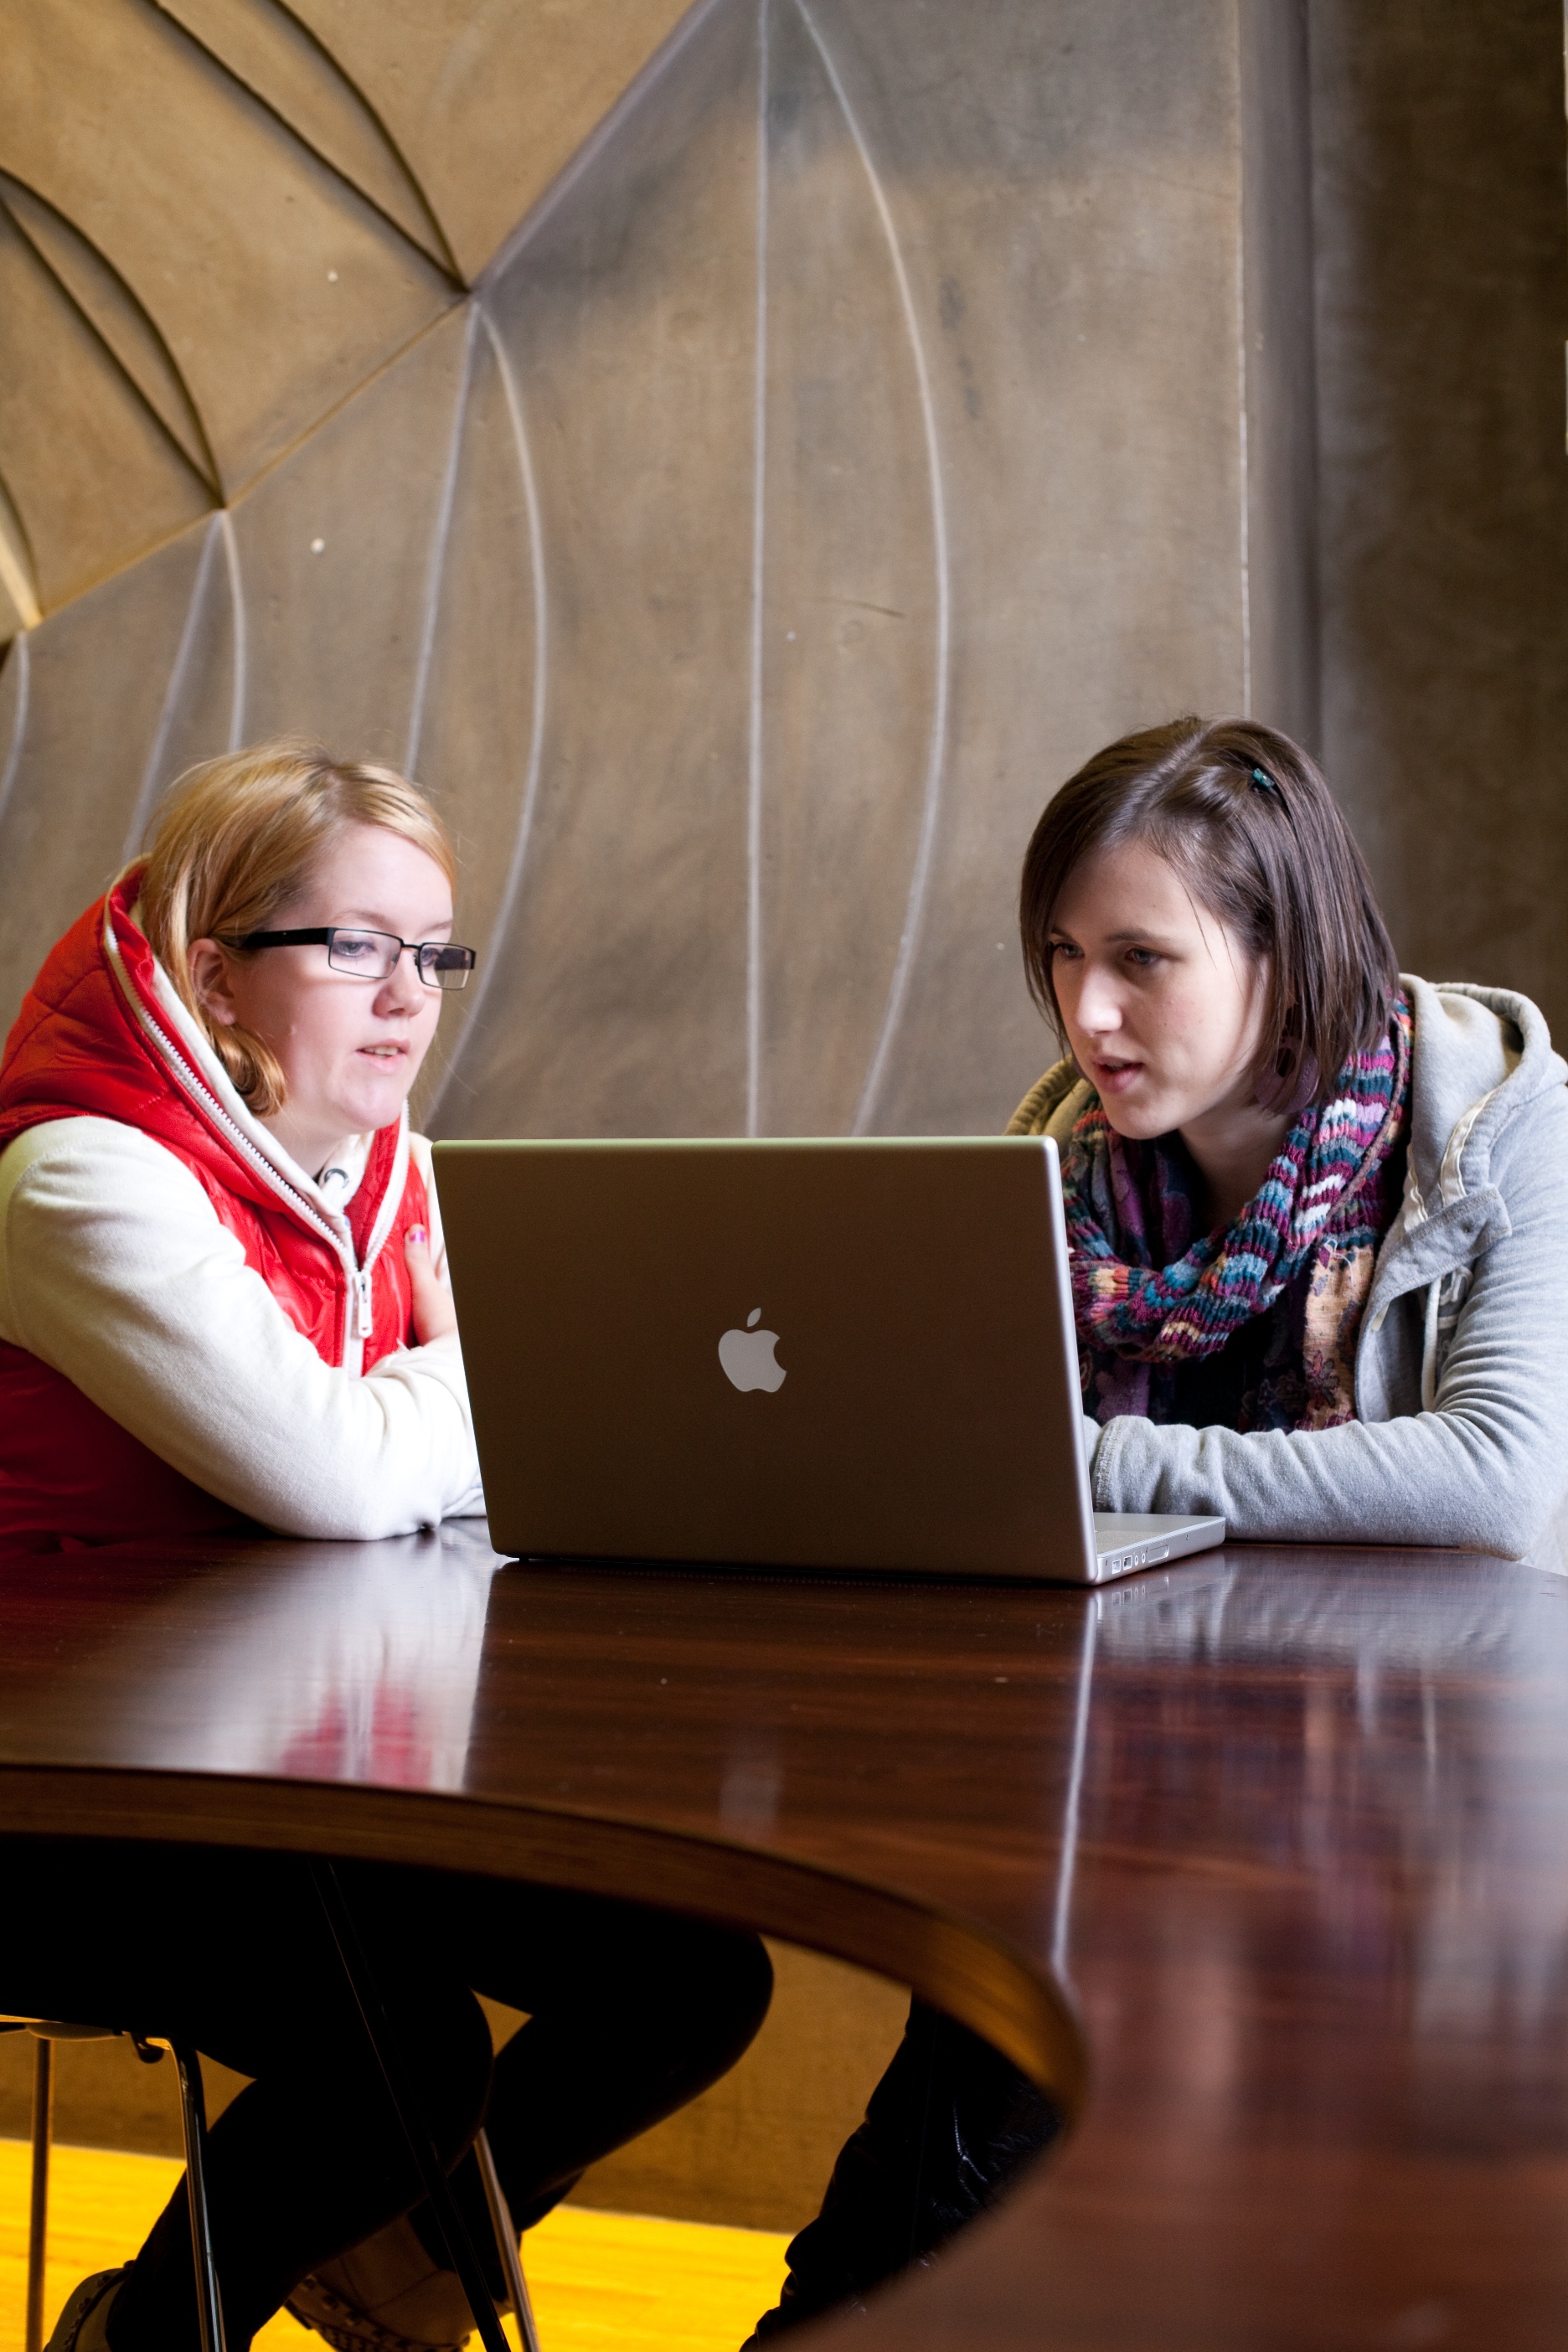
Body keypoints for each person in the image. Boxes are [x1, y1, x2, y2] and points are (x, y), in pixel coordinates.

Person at [743, 712, 1568, 2344]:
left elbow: (1493, 1480)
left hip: (1444, 1795)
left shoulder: (1497, 1123)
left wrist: (1110, 1457)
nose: (1086, 1014)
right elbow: (987, 1463)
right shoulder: (1056, 1164)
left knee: (1009, 2060)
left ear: (1289, 951)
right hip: (1155, 1769)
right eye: (1060, 958)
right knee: (1004, 2012)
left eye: (1141, 959)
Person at [0, 742, 771, 2352]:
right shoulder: (78, 1178)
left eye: (432, 951)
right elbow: (345, 1480)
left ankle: (387, 2260)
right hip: (67, 1789)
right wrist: (500, 1361)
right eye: (352, 945)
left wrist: (463, 1404)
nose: (409, 995)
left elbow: (478, 1463)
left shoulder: (370, 1170)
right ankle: (150, 2335)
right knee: (402, 2052)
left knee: (691, 1980)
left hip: (268, 1771)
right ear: (215, 973)